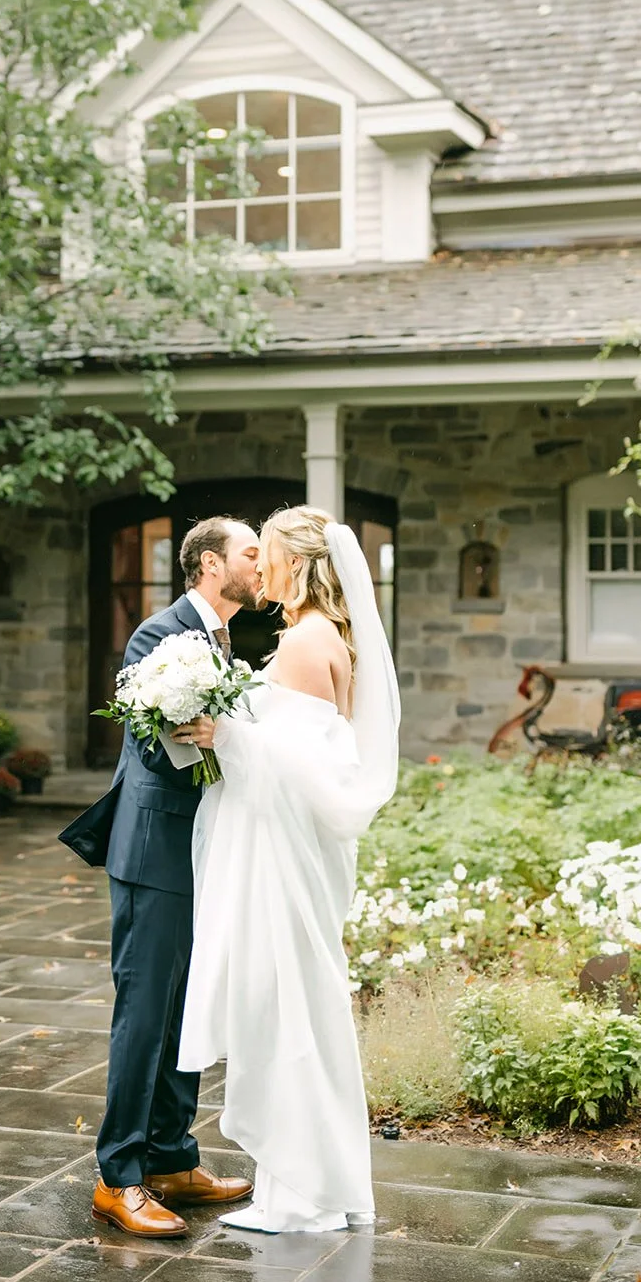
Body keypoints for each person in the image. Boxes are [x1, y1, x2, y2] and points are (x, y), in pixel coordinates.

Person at [172, 505, 400, 1233]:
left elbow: (300, 769)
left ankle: (304, 1202)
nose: (258, 567)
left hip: (289, 858)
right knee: (300, 1006)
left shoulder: (304, 642)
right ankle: (320, 1191)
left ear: (296, 565)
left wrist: (222, 732)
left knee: (289, 1011)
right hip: (298, 854)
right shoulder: (325, 635)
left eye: (265, 554)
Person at [91, 515, 261, 1239]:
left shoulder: (225, 641)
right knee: (143, 1014)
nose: (262, 564)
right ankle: (118, 1176)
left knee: (188, 1009)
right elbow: (156, 753)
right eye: (251, 553)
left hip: (204, 852)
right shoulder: (156, 638)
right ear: (210, 565)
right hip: (155, 854)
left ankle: (170, 1156)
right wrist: (213, 739)